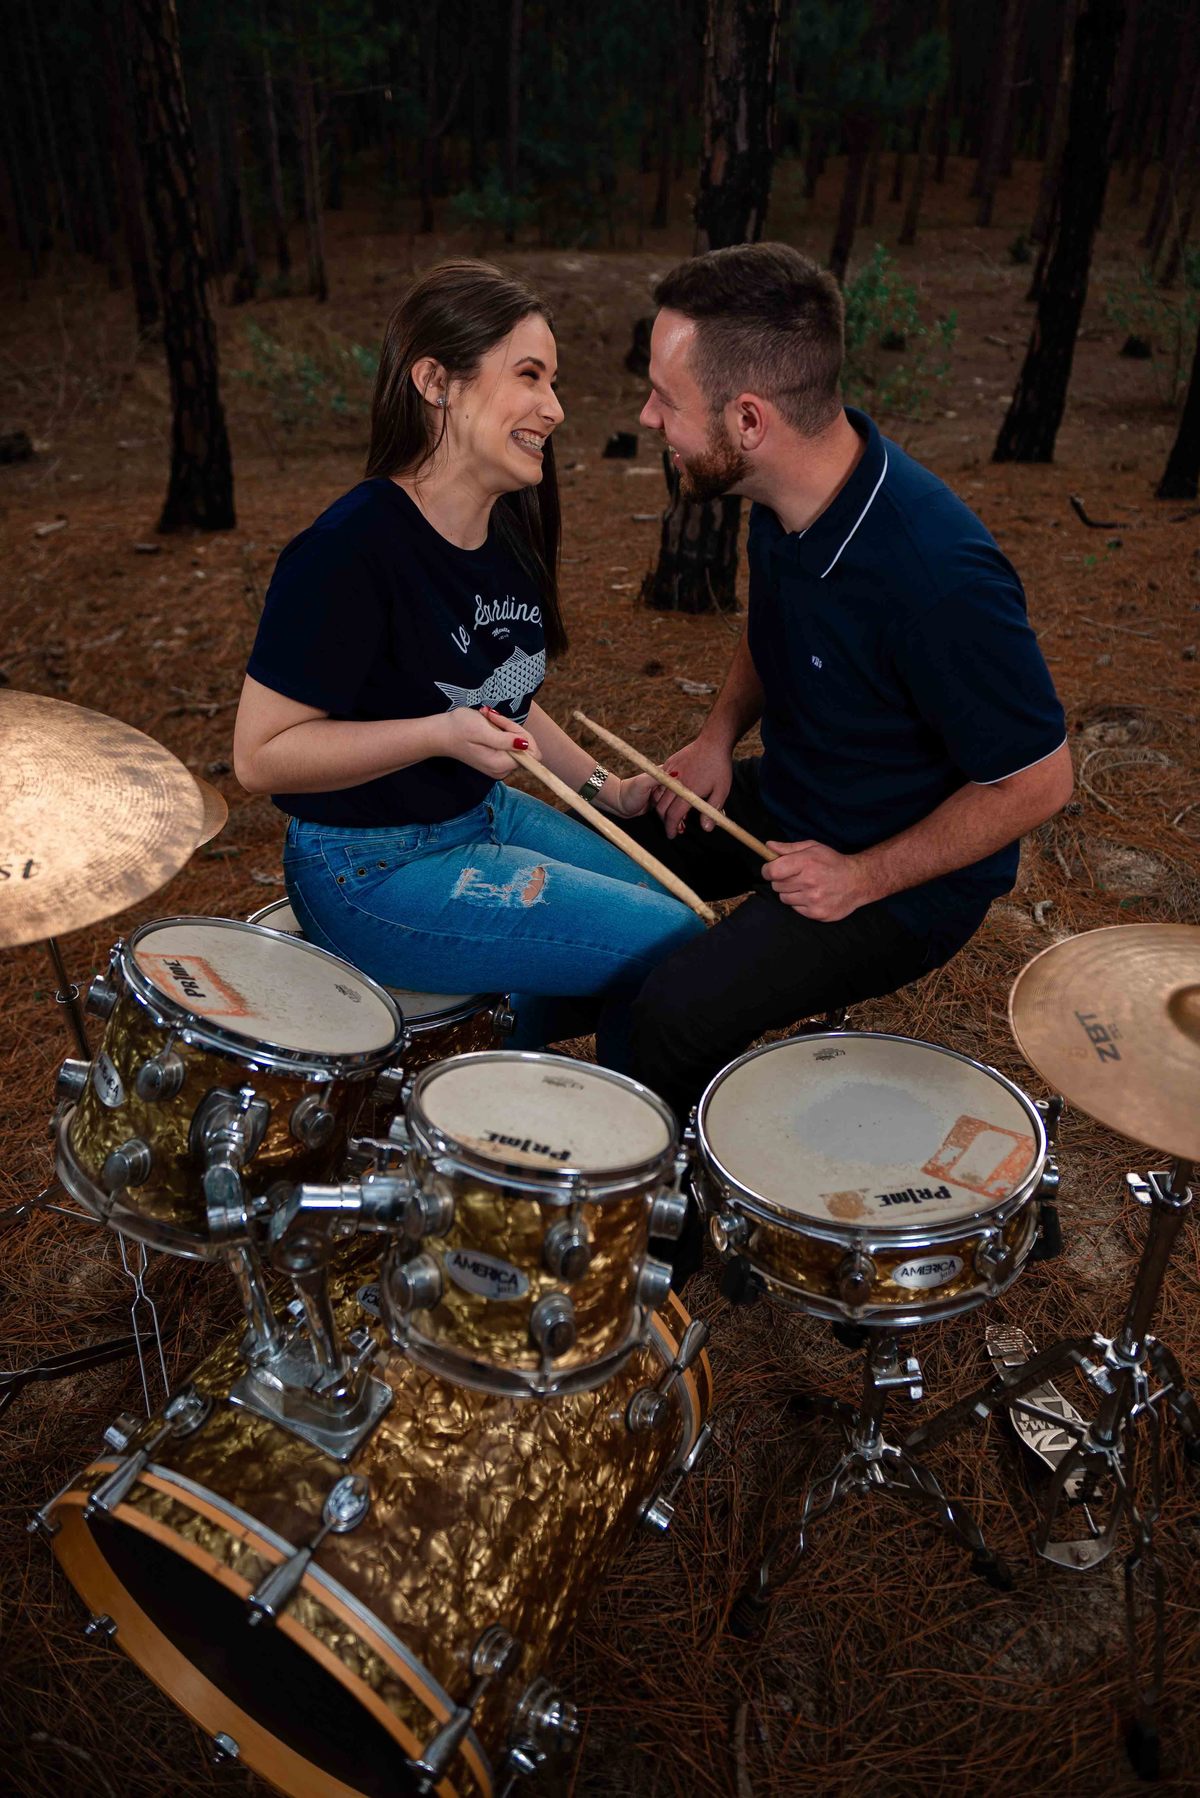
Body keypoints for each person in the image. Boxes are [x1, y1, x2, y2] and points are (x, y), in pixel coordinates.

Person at [615, 241, 1074, 1135]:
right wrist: (717, 735)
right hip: (797, 796)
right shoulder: (785, 491)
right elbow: (774, 623)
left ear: (748, 419)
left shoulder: (938, 576)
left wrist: (863, 877)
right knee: (595, 858)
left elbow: (1038, 780)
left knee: (667, 1014)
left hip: (902, 877)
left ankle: (661, 1238)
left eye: (666, 400)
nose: (646, 417)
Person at [233, 259, 704, 1060]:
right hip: (366, 867)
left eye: (554, 382)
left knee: (683, 919)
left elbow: (500, 693)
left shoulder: (505, 534)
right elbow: (260, 757)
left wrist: (605, 788)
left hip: (476, 817)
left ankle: (483, 1057)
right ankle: (610, 1151)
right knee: (680, 954)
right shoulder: (349, 550)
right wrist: (436, 735)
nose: (554, 409)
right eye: (530, 375)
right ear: (435, 381)